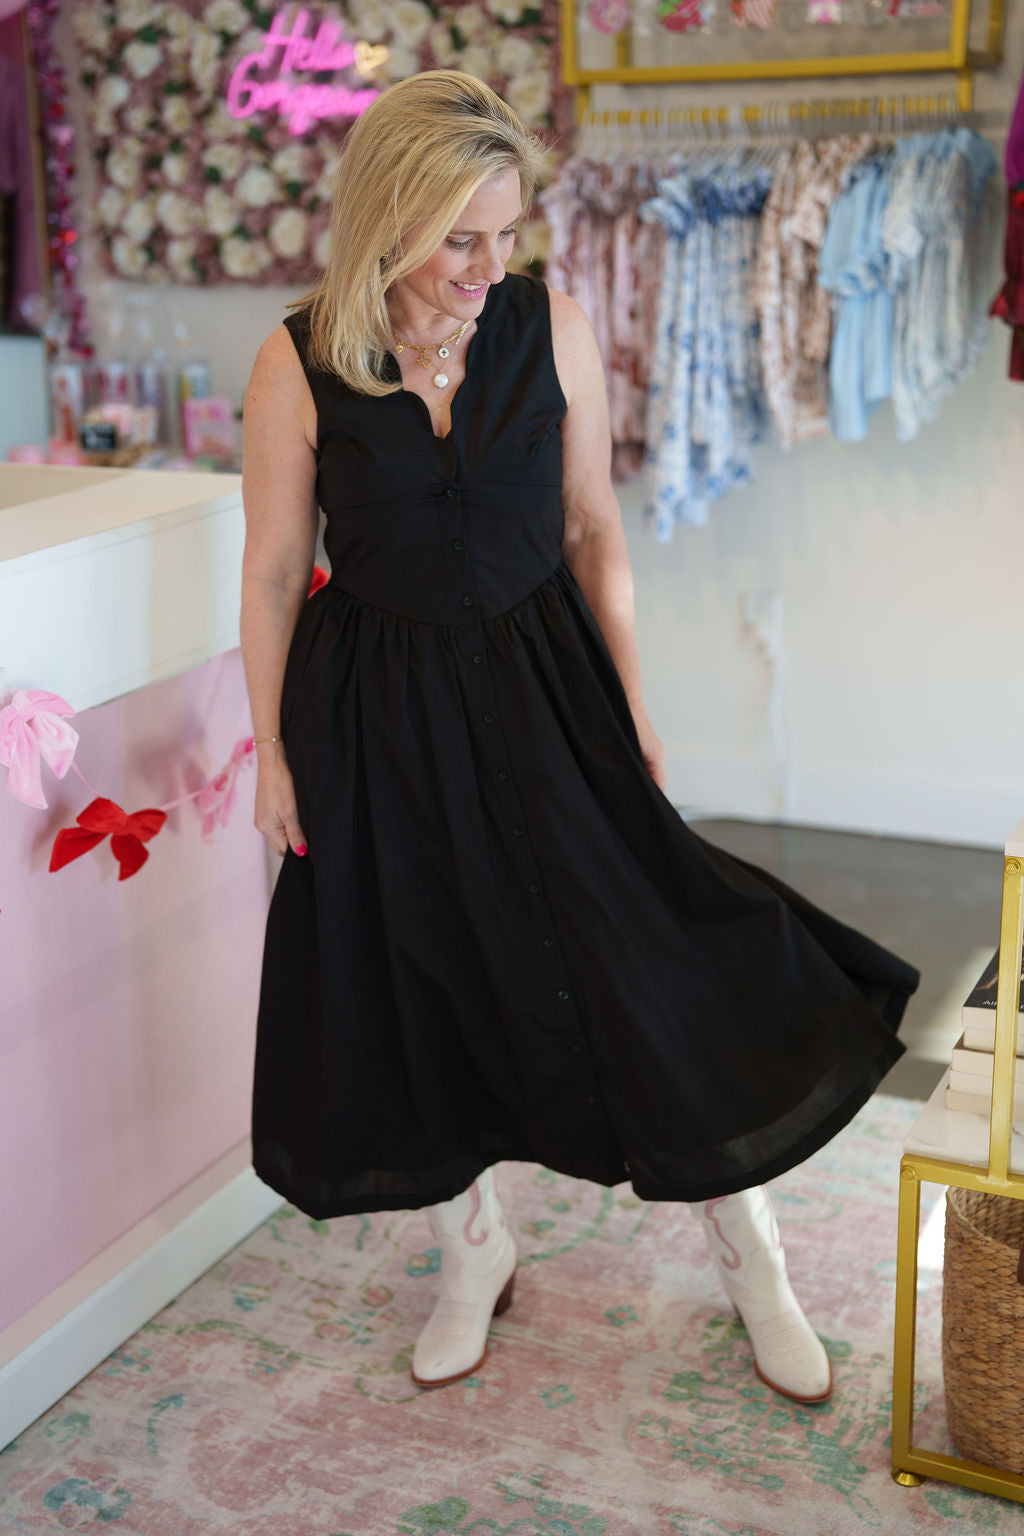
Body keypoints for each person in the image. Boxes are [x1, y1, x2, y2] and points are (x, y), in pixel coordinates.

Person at [240, 70, 919, 1405]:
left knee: (646, 958)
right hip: (376, 716)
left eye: (507, 233)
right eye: (461, 240)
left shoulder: (548, 323)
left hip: (550, 691)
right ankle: (475, 1252)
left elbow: (594, 524)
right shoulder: (298, 359)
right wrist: (268, 751)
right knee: (424, 976)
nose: (489, 267)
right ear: (386, 217)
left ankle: (751, 1250)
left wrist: (635, 700)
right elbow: (271, 572)